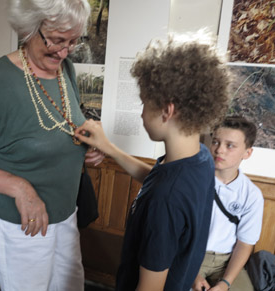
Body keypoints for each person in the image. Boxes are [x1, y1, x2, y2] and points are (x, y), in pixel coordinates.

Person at [0, 0, 104, 290]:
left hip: (65, 214)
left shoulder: (66, 70)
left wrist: (89, 145)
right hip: (22, 222)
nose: (65, 51)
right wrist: (20, 188)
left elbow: (62, 123)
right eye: (56, 40)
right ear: (31, 27)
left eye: (73, 42)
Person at [75, 30, 231, 291]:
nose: (142, 114)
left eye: (144, 104)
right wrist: (110, 148)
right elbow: (158, 179)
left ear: (167, 111)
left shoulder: (164, 201)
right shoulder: (200, 158)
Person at [192, 116, 264, 291]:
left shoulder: (252, 195)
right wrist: (192, 274)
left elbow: (244, 243)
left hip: (225, 262)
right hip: (190, 256)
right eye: (216, 142)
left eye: (230, 145)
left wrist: (225, 283)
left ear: (247, 153)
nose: (219, 150)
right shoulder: (194, 182)